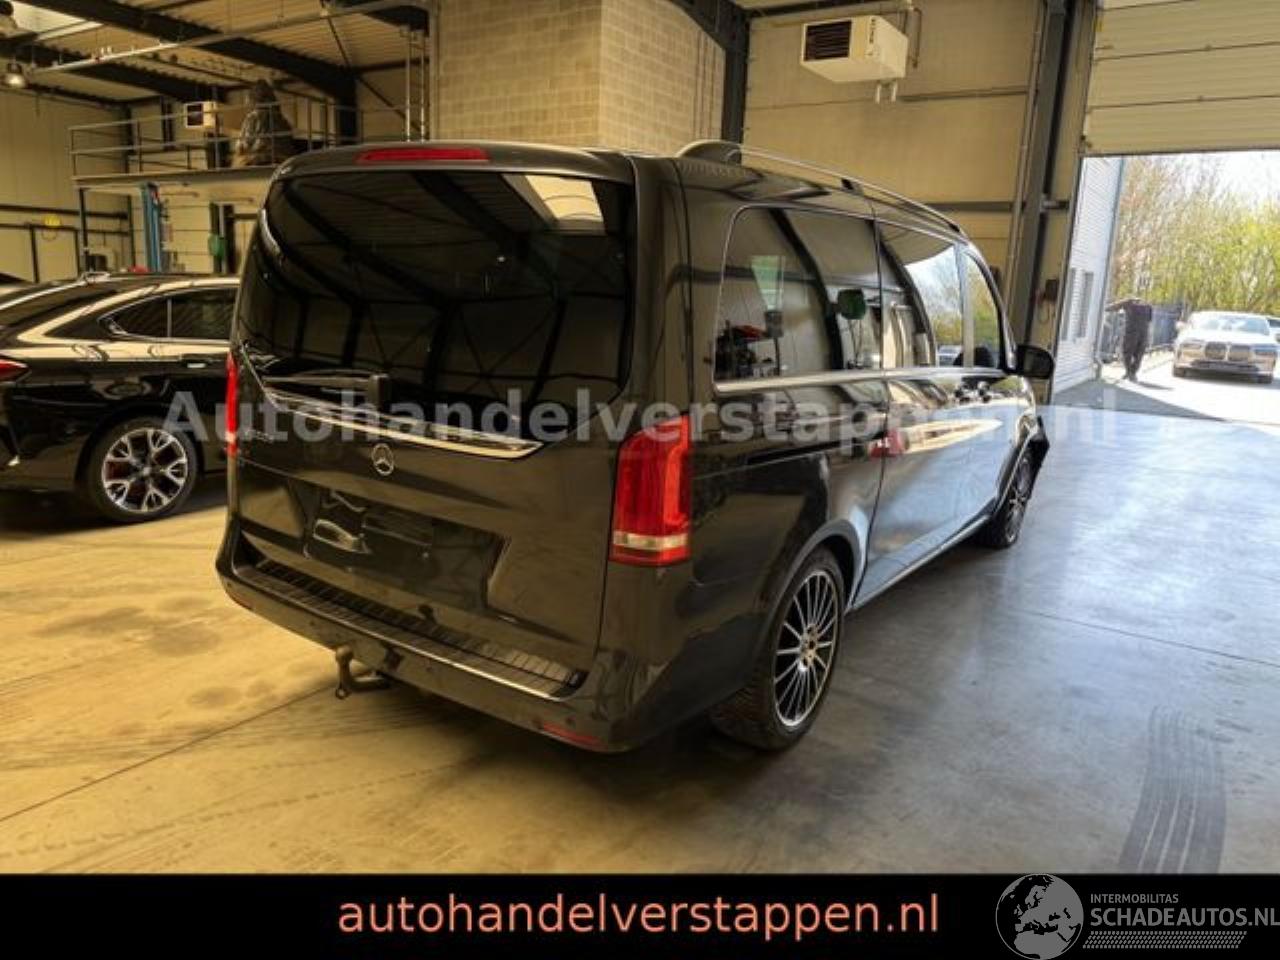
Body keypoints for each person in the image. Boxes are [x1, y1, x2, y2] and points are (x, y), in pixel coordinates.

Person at [234, 80, 297, 168]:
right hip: (284, 160)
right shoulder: (282, 119)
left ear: (252, 99)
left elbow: (243, 146)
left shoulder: (253, 117)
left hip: (260, 159)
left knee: (238, 161)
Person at [1107, 297, 1153, 382]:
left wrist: (1105, 308)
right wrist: (1149, 337)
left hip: (1131, 332)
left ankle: (1130, 372)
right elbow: (1149, 323)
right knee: (1138, 355)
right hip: (1141, 333)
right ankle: (1131, 373)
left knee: (1128, 353)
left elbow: (1114, 307)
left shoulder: (1129, 302)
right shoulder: (1147, 306)